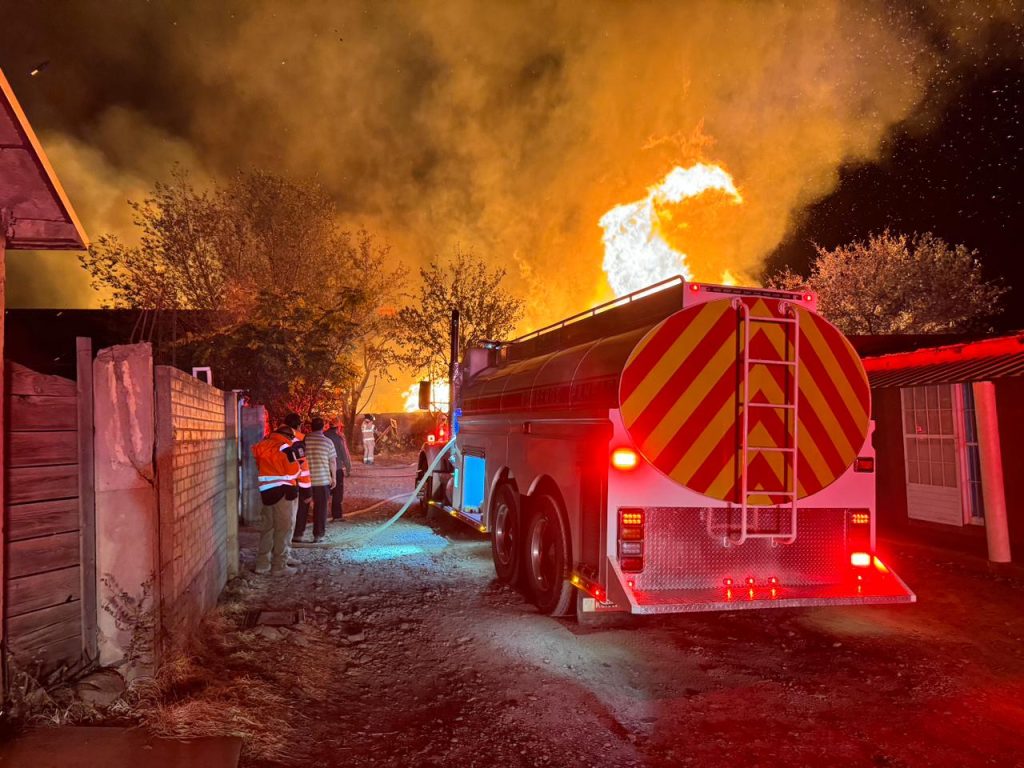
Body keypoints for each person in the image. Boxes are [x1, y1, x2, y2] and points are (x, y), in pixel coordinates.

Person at [252, 414, 303, 575]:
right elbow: (293, 471)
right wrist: (299, 464)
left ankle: (262, 564)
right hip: (283, 492)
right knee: (283, 528)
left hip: (266, 492)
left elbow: (259, 466)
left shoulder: (262, 445)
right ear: (288, 436)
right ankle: (279, 566)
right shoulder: (285, 448)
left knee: (268, 528)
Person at [296, 417, 336, 543]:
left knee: (302, 508)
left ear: (311, 427)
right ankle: (318, 535)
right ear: (323, 427)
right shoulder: (328, 442)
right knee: (320, 508)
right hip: (322, 480)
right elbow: (332, 461)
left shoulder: (303, 440)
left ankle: (298, 534)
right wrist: (333, 477)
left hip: (304, 481)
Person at [289, 414, 313, 544]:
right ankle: (297, 535)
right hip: (297, 484)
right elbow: (303, 469)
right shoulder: (297, 443)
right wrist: (308, 491)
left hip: (280, 484)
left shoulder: (277, 439)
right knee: (301, 510)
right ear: (298, 426)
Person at [324, 416, 352, 521]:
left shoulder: (323, 435)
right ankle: (337, 516)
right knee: (337, 493)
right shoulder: (339, 437)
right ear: (338, 427)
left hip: (324, 469)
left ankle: (321, 515)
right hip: (337, 469)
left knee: (324, 492)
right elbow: (345, 454)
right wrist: (348, 468)